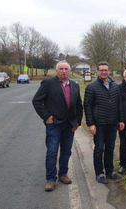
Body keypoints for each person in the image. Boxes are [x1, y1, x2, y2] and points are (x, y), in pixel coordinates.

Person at [32, 60, 83, 192]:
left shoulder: (74, 85)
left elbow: (78, 105)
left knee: (66, 151)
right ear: (56, 70)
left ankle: (63, 174)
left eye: (66, 69)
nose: (64, 71)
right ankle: (50, 179)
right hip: (54, 124)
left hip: (69, 124)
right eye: (61, 69)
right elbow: (36, 100)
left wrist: (77, 121)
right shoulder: (48, 83)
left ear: (69, 71)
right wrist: (46, 116)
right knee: (52, 151)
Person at [84, 61, 125, 184]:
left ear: (109, 71)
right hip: (99, 124)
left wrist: (121, 120)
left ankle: (110, 171)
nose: (104, 72)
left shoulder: (115, 86)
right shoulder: (91, 87)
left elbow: (119, 104)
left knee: (110, 148)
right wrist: (91, 124)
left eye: (106, 70)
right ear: (97, 72)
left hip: (112, 124)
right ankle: (99, 173)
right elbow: (87, 106)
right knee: (99, 149)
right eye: (101, 70)